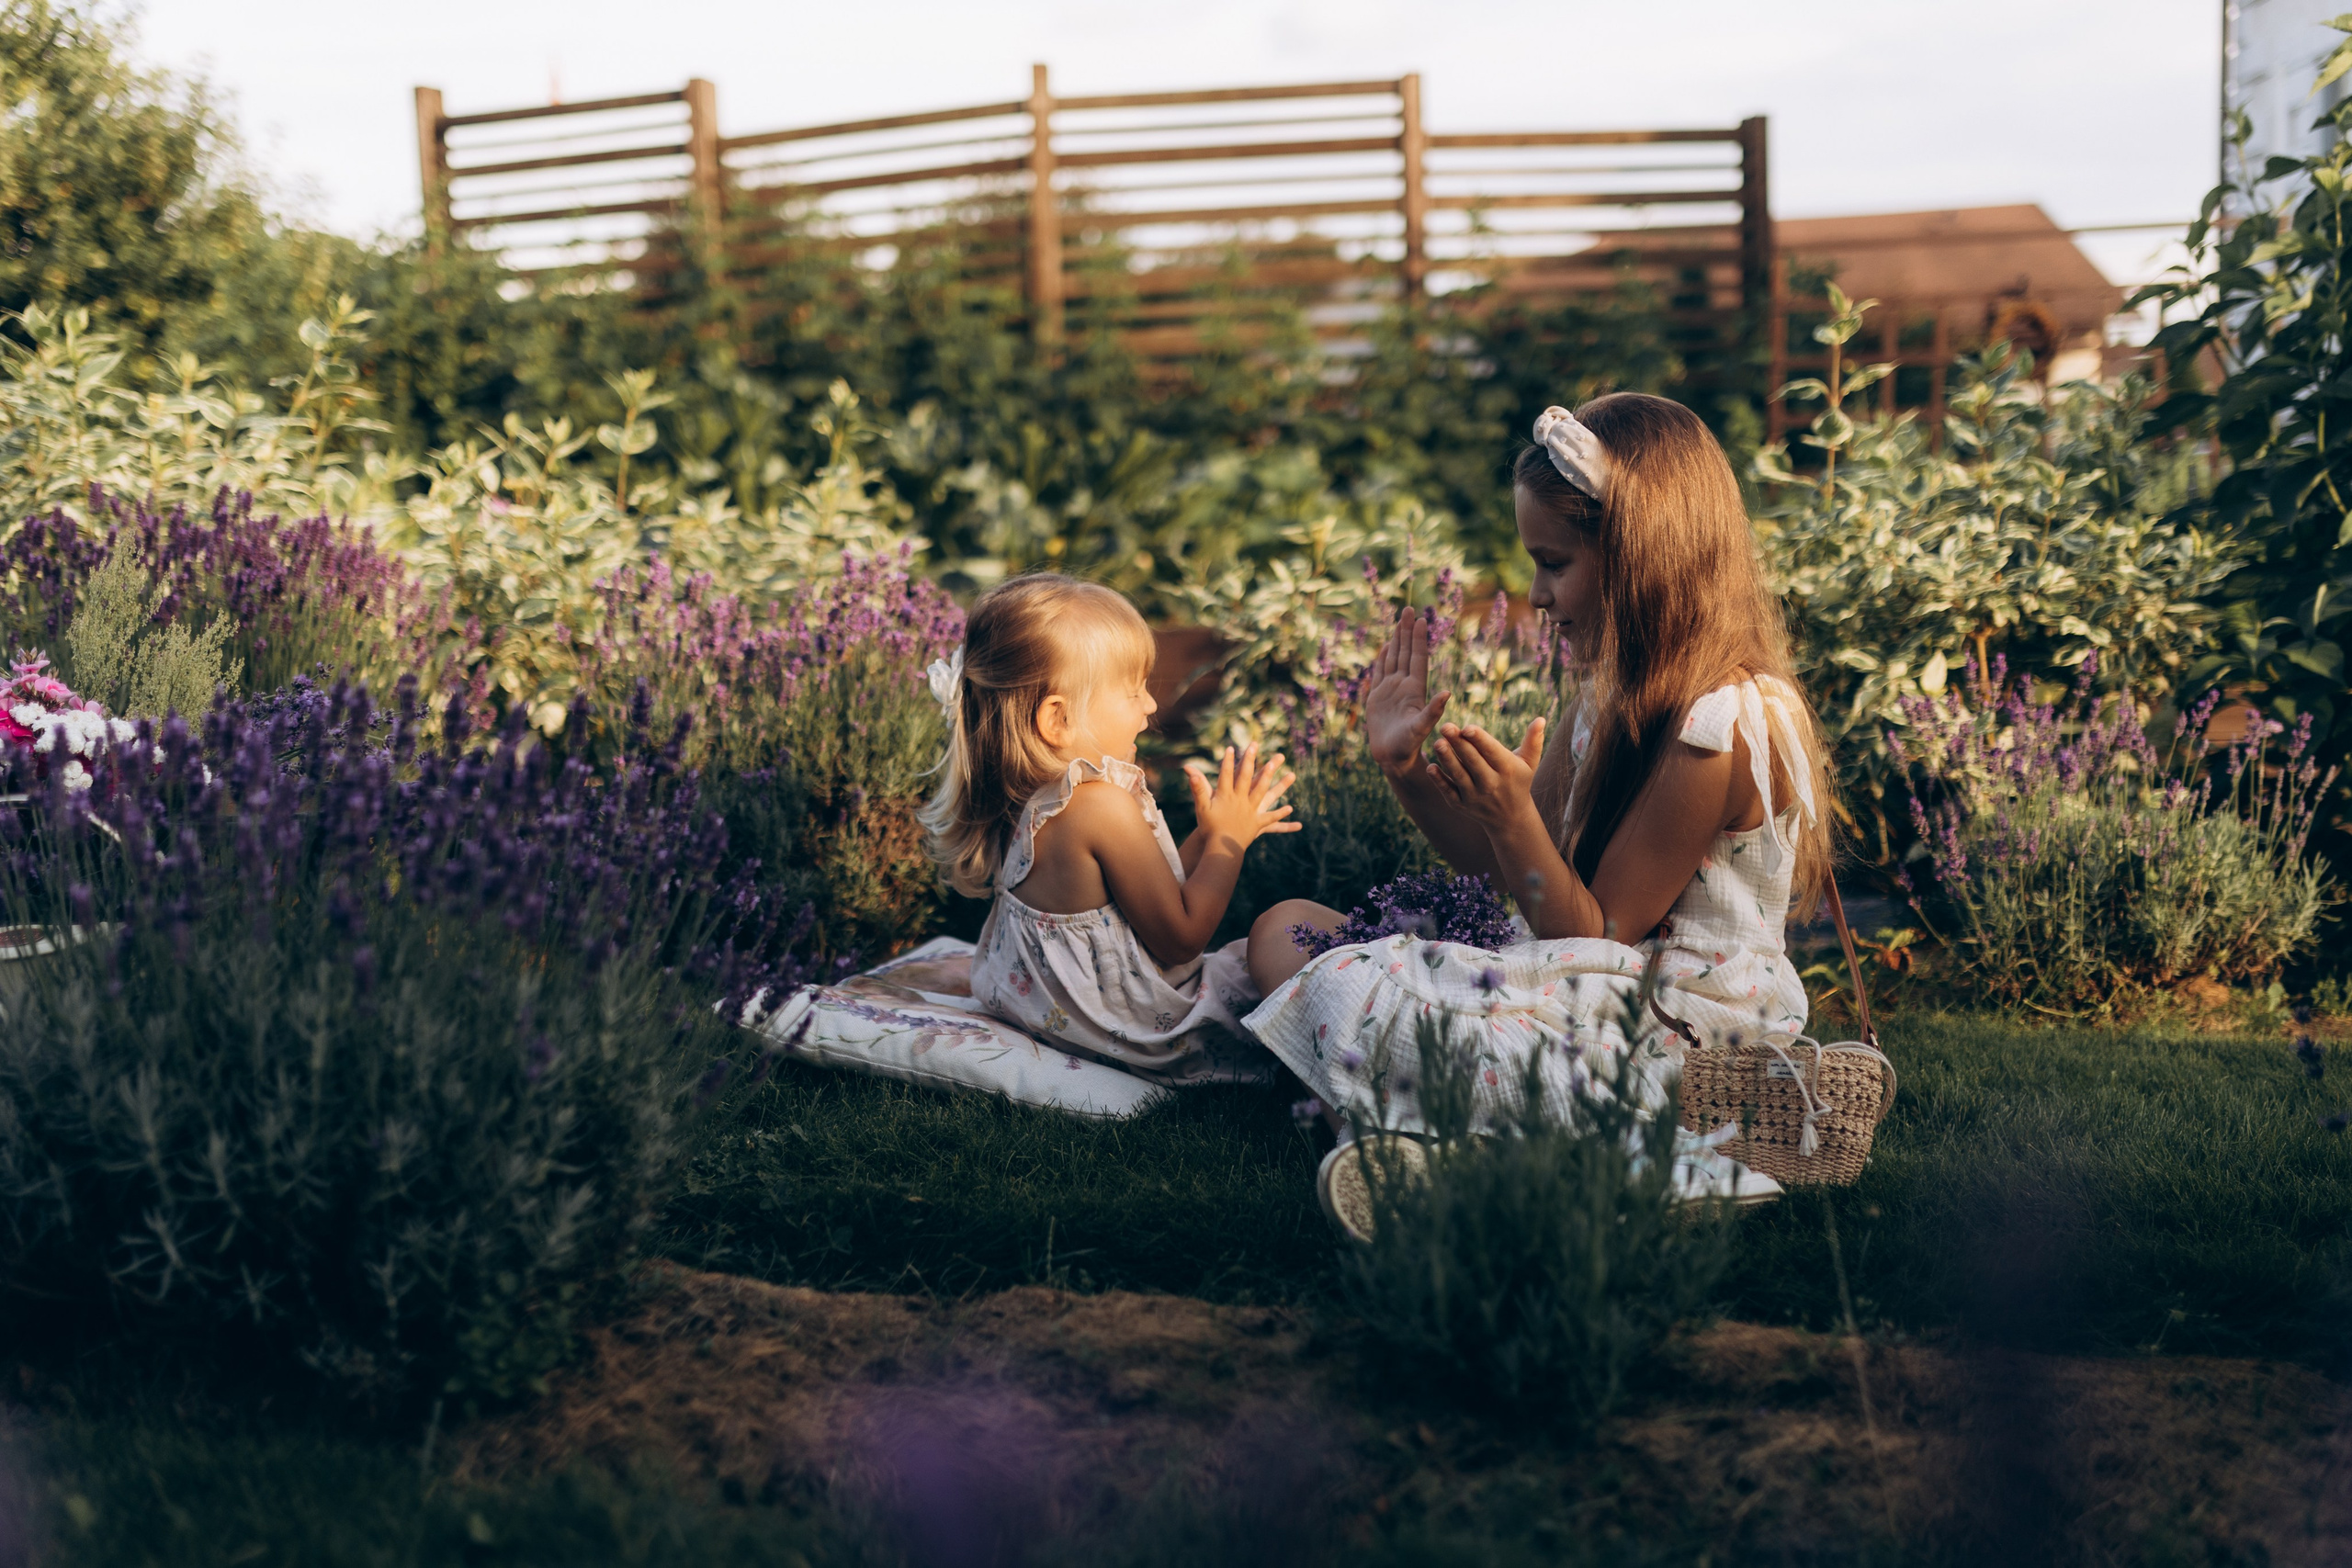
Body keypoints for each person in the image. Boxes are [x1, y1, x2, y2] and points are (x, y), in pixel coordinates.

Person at [1241, 393, 1837, 1208]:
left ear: (1640, 556)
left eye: (1553, 563)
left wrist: (1517, 818)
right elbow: (1514, 876)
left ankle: (1478, 1144)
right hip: (1578, 987)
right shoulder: (1607, 697)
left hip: (1674, 1030)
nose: (1537, 596)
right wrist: (1407, 767)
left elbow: (1598, 935)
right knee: (1284, 933)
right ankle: (1456, 1132)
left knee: (1353, 986)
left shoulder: (1723, 722)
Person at [919, 573, 1296, 1085]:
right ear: (1058, 719)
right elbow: (1180, 940)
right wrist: (1231, 843)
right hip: (1151, 1033)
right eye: (1133, 690)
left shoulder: (1033, 800)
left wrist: (1206, 832)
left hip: (1073, 1022)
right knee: (1291, 946)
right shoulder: (1100, 807)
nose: (1151, 706)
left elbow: (1140, 899)